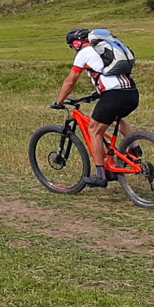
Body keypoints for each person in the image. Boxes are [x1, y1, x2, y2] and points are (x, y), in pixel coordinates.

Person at [52, 28, 138, 188]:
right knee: (115, 119)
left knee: (94, 131)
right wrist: (97, 93)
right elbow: (108, 76)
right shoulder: (104, 51)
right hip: (131, 93)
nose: (73, 48)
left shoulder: (84, 53)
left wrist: (59, 101)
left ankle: (100, 175)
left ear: (77, 43)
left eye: (72, 45)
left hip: (113, 95)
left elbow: (70, 81)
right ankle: (134, 149)